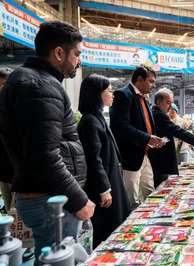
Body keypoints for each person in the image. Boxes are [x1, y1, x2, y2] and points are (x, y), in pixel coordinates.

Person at [0, 20, 95, 264]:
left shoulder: (35, 81)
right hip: (51, 201)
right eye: (77, 54)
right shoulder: (40, 85)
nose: (80, 61)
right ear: (59, 52)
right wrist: (78, 200)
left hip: (49, 197)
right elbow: (43, 156)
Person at [77, 74, 131, 248]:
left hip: (112, 179)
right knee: (106, 231)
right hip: (103, 187)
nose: (112, 94)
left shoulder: (98, 117)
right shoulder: (89, 121)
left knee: (117, 225)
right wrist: (103, 189)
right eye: (109, 90)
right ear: (96, 94)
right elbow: (93, 159)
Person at [110, 65, 165, 209]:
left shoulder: (143, 99)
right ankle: (130, 231)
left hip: (145, 155)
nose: (154, 85)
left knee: (151, 195)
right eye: (151, 81)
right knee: (131, 200)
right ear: (140, 79)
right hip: (130, 158)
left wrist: (152, 139)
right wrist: (148, 138)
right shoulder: (123, 95)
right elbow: (120, 127)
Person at [152, 89, 194, 188]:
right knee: (159, 187)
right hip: (159, 161)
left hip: (159, 160)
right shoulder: (158, 115)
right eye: (168, 103)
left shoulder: (156, 113)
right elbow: (178, 131)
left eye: (172, 103)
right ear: (158, 102)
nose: (170, 106)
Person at [0, 68, 14, 212]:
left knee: (18, 215)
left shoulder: (19, 109)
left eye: (3, 85)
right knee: (10, 214)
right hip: (3, 174)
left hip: (19, 175)